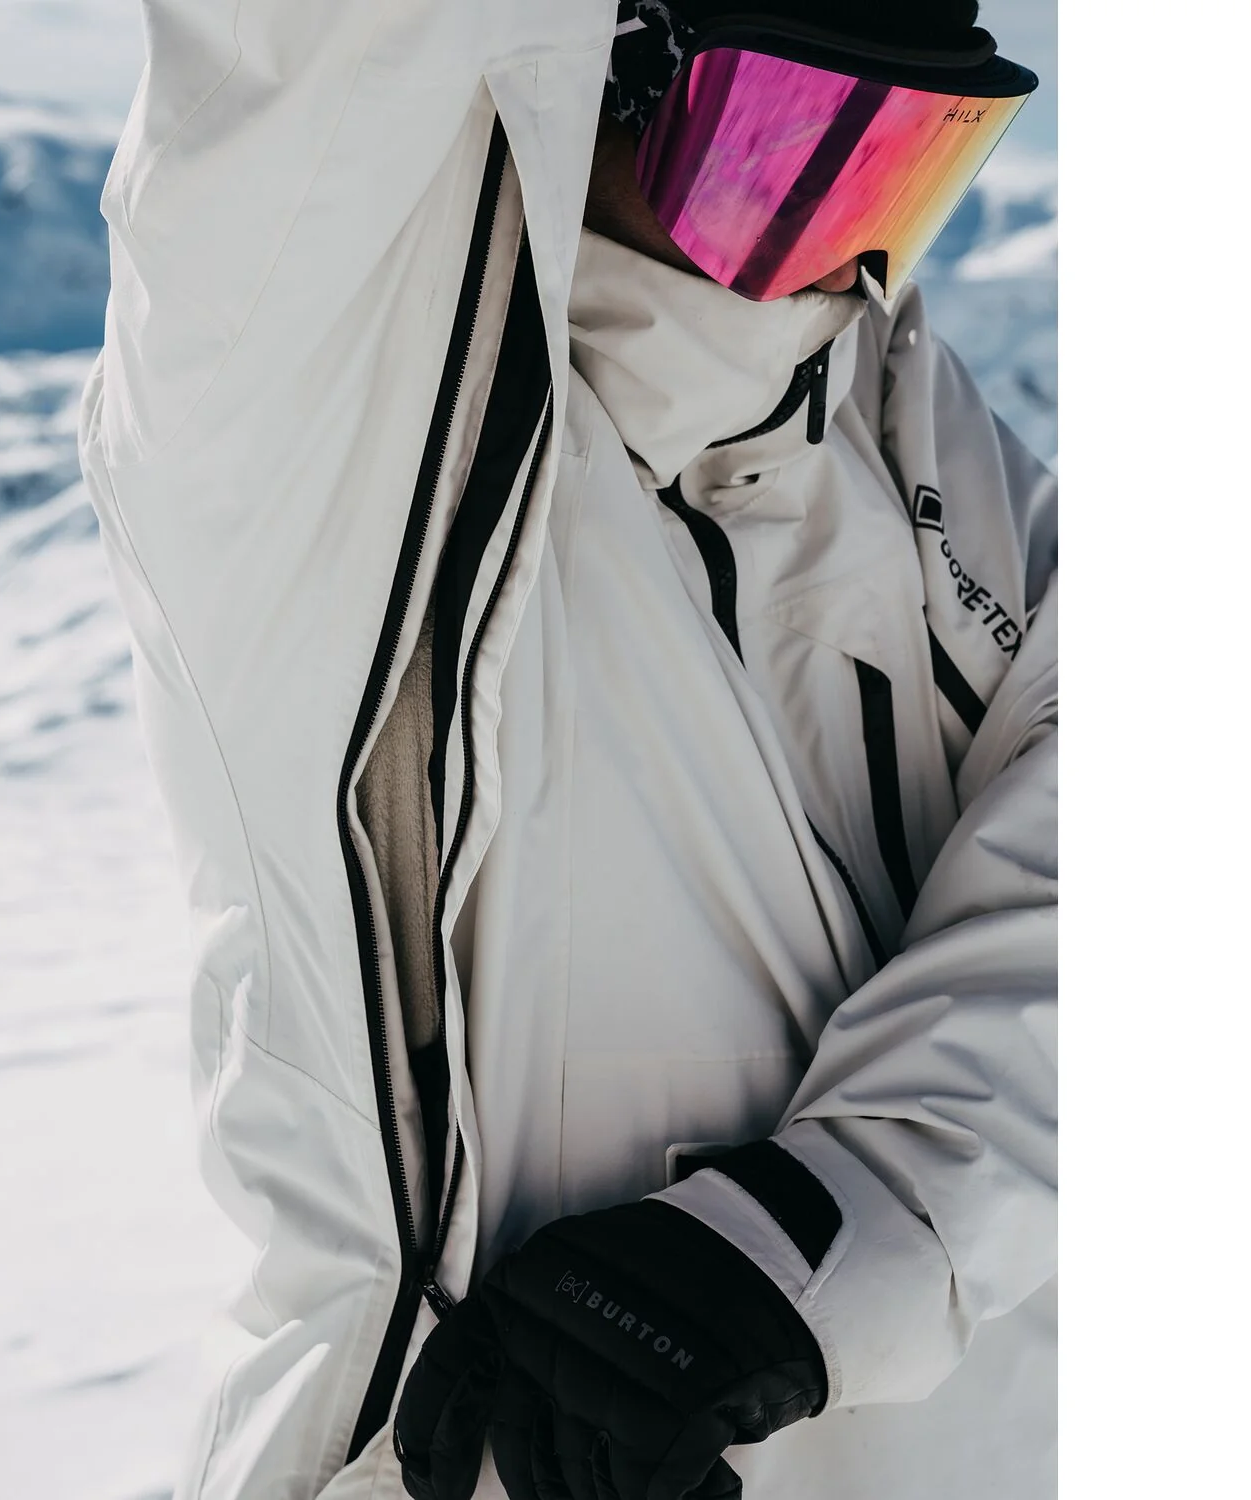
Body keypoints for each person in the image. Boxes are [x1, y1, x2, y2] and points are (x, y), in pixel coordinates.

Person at [78, 1, 1056, 1497]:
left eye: (896, 165)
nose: (834, 262)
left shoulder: (888, 421)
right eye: (777, 147)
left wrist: (839, 1225)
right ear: (599, 78)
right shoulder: (309, 420)